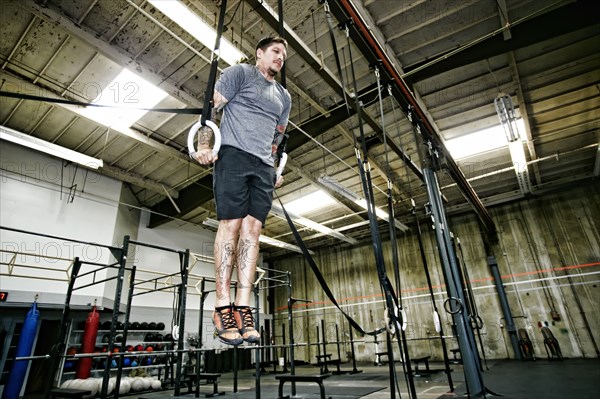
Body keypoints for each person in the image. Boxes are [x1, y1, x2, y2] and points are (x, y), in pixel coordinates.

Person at [194, 37, 291, 345]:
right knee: (232, 225)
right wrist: (203, 145)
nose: (280, 57)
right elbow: (210, 110)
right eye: (275, 51)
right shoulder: (240, 74)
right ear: (259, 53)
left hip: (263, 166)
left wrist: (275, 168)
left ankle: (243, 306)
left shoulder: (284, 96)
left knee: (253, 231)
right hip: (234, 153)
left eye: (284, 55)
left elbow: (277, 139)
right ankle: (222, 305)